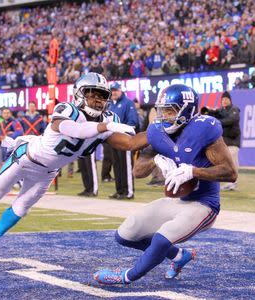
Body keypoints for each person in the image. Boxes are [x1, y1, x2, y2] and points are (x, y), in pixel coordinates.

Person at [0, 73, 148, 263]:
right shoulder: (68, 110)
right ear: (79, 93)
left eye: (102, 96)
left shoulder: (107, 120)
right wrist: (106, 127)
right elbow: (75, 130)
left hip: (48, 172)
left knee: (21, 208)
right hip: (27, 157)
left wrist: (162, 130)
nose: (97, 100)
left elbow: (131, 143)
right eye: (92, 94)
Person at [94, 84, 237, 285]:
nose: (164, 116)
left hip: (204, 204)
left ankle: (126, 276)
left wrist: (192, 171)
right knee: (125, 234)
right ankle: (179, 256)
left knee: (162, 238)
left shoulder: (204, 130)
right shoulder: (158, 132)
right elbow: (138, 171)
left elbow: (231, 173)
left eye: (169, 110)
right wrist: (155, 160)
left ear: (186, 110)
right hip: (178, 200)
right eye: (161, 110)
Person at [201, 91, 241, 191]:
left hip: (233, 141)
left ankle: (233, 183)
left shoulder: (234, 109)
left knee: (233, 161)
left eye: (226, 99)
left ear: (230, 100)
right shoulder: (220, 111)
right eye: (222, 99)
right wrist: (211, 112)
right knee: (220, 162)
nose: (224, 101)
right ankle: (224, 183)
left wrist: (217, 119)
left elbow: (231, 120)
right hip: (224, 142)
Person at [107, 82, 139, 199]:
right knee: (117, 165)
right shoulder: (111, 104)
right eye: (112, 90)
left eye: (116, 90)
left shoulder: (128, 103)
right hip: (113, 138)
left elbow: (133, 121)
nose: (114, 92)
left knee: (126, 165)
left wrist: (123, 131)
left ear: (121, 90)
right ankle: (119, 190)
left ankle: (129, 191)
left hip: (124, 139)